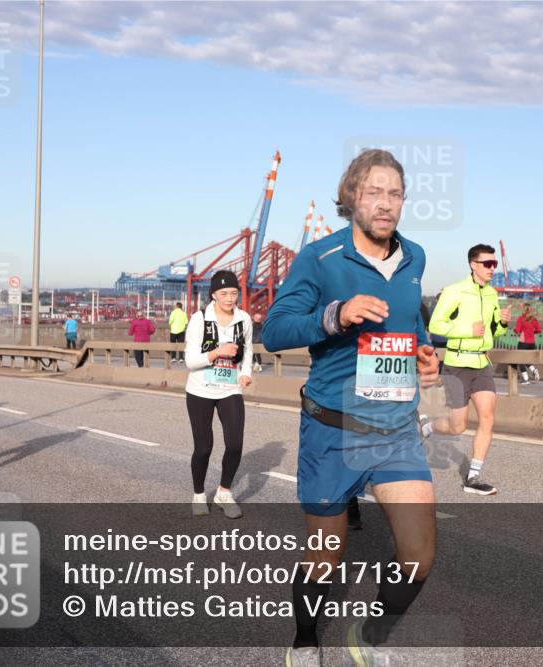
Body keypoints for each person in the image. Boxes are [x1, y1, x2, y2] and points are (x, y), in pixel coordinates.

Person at [264, 148, 439, 667]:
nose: (385, 204)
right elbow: (274, 331)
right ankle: (304, 639)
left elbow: (410, 324)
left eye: (395, 193)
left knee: (420, 555)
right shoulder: (319, 258)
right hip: (331, 430)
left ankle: (370, 637)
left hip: (394, 429)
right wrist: (335, 315)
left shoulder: (416, 257)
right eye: (374, 192)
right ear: (351, 198)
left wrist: (425, 352)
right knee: (325, 556)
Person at [422, 244, 511, 496]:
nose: (493, 268)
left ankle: (473, 477)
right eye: (488, 264)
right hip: (457, 365)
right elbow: (437, 326)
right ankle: (427, 427)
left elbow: (495, 331)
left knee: (488, 417)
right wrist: (467, 331)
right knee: (457, 426)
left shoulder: (493, 294)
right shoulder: (454, 291)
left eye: (494, 264)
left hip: (482, 363)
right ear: (473, 265)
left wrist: (502, 323)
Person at [184, 271, 253, 519]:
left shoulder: (244, 319)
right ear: (213, 294)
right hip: (200, 390)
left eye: (234, 293)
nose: (229, 298)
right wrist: (217, 353)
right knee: (204, 447)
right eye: (224, 293)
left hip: (230, 388)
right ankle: (199, 494)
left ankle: (224, 493)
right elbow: (190, 361)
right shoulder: (199, 320)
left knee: (235, 444)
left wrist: (245, 372)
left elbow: (247, 351)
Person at [514, 303, 542, 384]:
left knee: (520, 360)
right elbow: (540, 330)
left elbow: (518, 330)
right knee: (526, 360)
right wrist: (533, 332)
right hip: (532, 343)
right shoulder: (534, 319)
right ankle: (534, 370)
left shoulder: (521, 318)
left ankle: (526, 379)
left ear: (523, 310)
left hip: (523, 343)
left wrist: (514, 330)